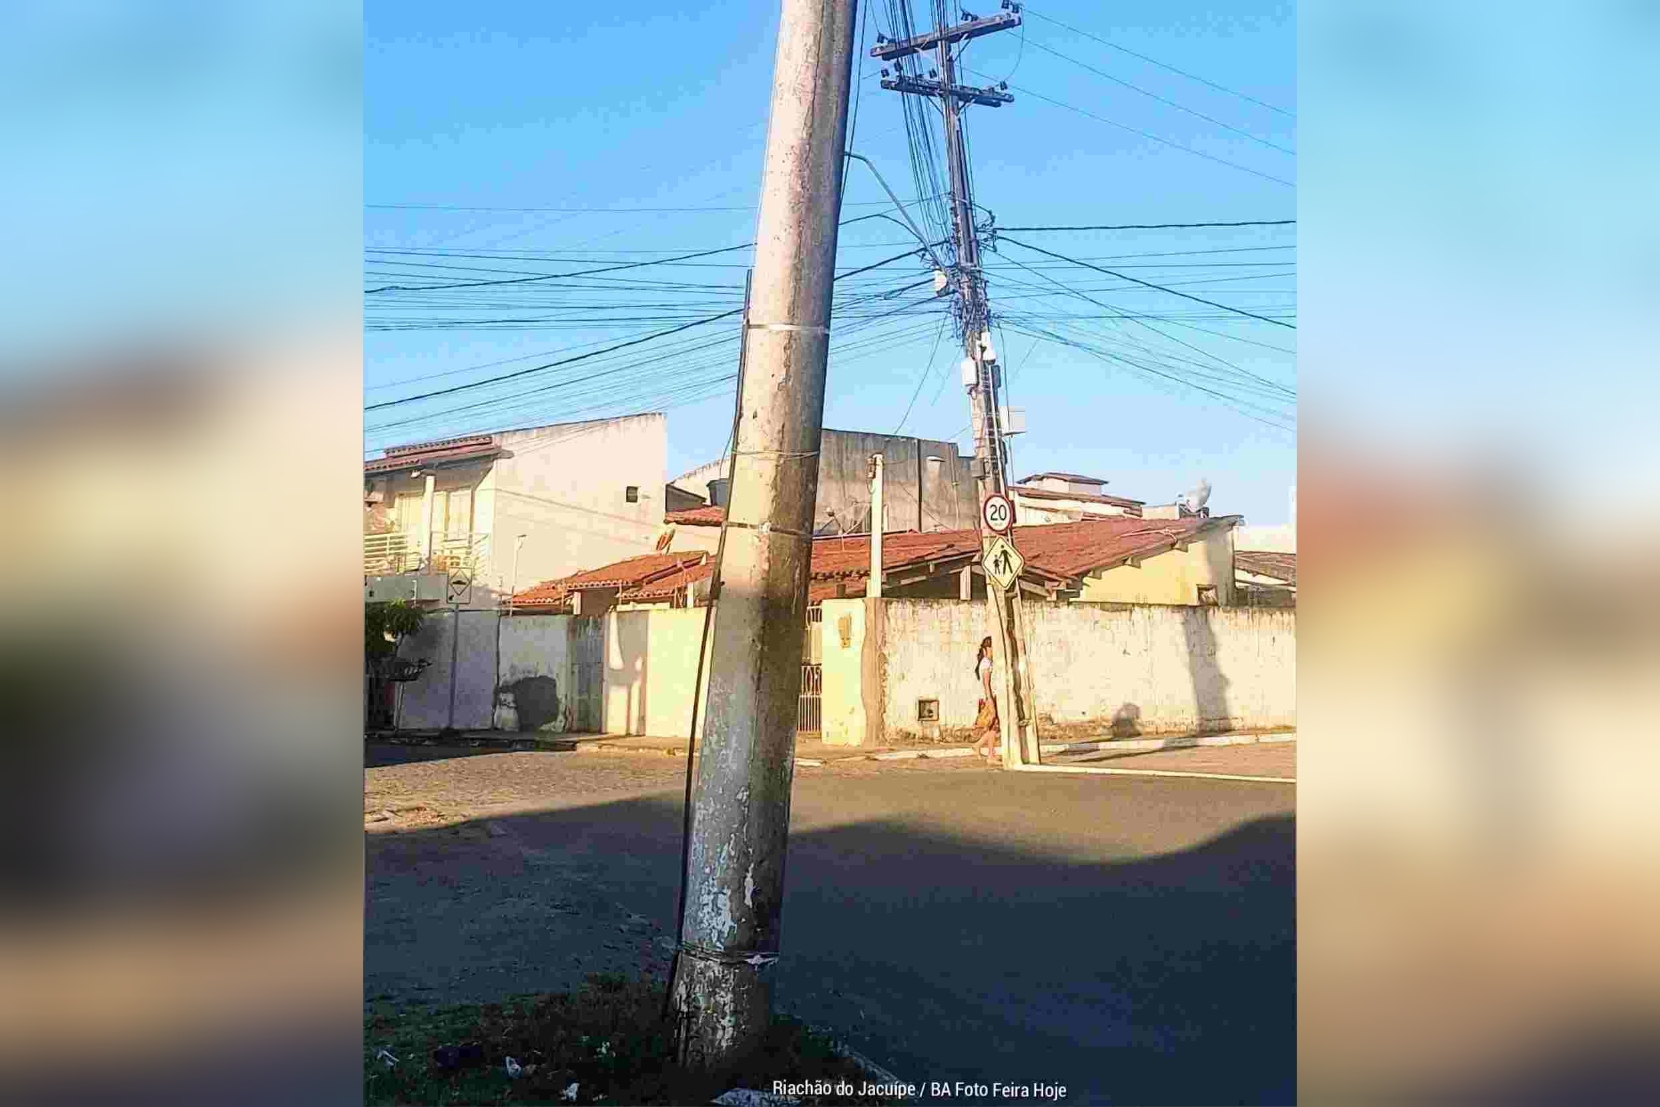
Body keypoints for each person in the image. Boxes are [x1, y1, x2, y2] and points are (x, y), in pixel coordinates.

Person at [971, 636, 1000, 764]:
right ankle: (990, 756)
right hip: (988, 697)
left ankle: (978, 746)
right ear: (987, 648)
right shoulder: (986, 662)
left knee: (992, 727)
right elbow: (986, 683)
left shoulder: (987, 662)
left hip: (988, 697)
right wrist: (990, 701)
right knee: (994, 727)